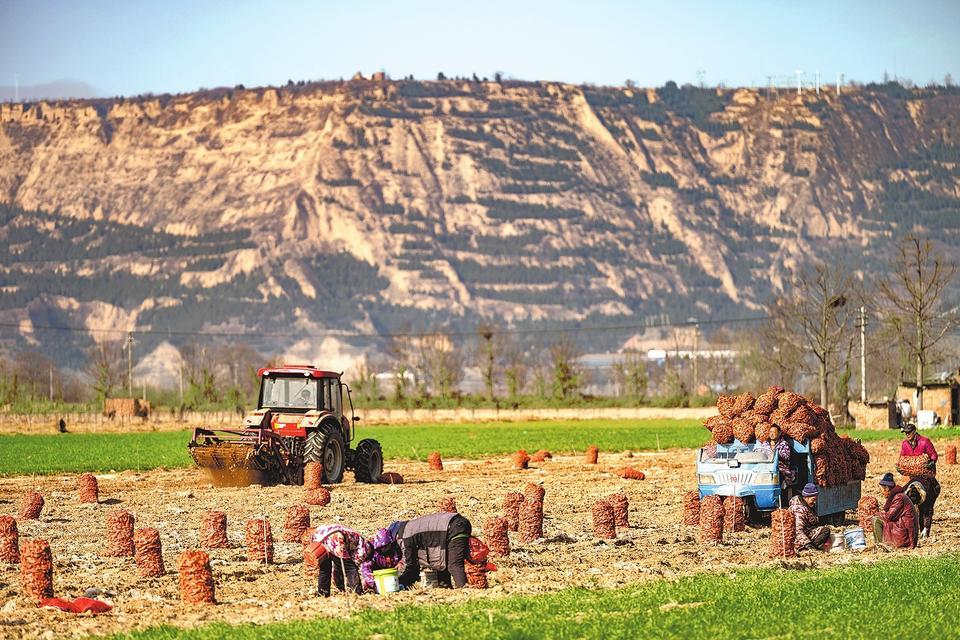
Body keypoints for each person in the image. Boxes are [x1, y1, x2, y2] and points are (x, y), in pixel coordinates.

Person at [396, 512, 473, 589]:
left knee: (454, 565)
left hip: (455, 527)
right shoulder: (411, 529)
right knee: (442, 562)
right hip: (456, 524)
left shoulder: (405, 535)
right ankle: (445, 589)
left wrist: (397, 580)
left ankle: (464, 591)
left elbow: (408, 564)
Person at [896, 422, 940, 538]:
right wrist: (901, 468)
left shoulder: (925, 441)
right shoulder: (905, 444)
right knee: (905, 494)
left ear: (915, 431)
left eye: (909, 432)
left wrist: (932, 462)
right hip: (914, 477)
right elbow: (902, 458)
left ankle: (925, 531)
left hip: (927, 477)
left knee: (926, 507)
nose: (907, 434)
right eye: (905, 433)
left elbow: (934, 455)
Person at [310, 524, 372, 596]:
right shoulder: (367, 547)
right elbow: (358, 558)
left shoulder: (358, 537)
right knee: (350, 568)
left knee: (325, 568)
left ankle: (323, 593)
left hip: (319, 535)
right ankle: (357, 592)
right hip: (335, 539)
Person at [872, 472, 918, 549]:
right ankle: (881, 545)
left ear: (887, 489)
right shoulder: (897, 496)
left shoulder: (898, 498)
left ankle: (880, 546)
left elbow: (889, 516)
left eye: (882, 490)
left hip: (905, 532)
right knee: (878, 518)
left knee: (876, 520)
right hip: (902, 526)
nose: (881, 492)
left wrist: (876, 513)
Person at [788, 483, 831, 551]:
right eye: (813, 499)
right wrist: (808, 544)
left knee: (825, 530)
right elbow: (798, 531)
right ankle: (807, 549)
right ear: (806, 497)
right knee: (825, 531)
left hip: (806, 533)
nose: (815, 502)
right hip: (798, 539)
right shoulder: (799, 510)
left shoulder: (806, 506)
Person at [360, 527, 403, 592]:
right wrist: (373, 583)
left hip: (394, 574)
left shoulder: (396, 547)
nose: (384, 549)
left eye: (386, 546)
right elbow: (365, 568)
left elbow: (406, 556)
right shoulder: (371, 551)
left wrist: (401, 563)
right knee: (365, 583)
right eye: (382, 547)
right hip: (379, 576)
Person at [761, 424, 796, 503]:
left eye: (774, 432)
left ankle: (781, 500)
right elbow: (760, 454)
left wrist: (775, 452)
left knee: (779, 476)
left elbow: (786, 456)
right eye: (770, 432)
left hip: (780, 468)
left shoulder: (784, 444)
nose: (771, 434)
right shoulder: (765, 444)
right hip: (765, 468)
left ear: (779, 433)